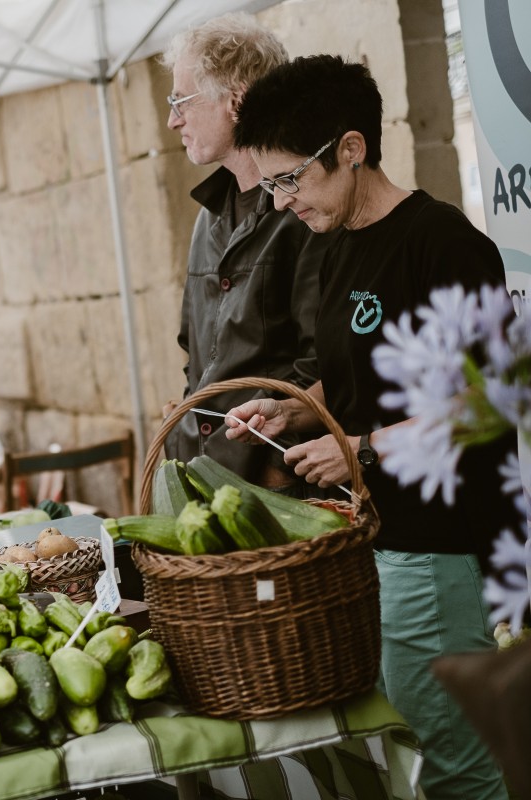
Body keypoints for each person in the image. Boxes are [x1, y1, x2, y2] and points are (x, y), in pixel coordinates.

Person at [227, 55, 515, 800]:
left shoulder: (444, 245)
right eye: (271, 186)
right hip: (377, 540)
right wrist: (295, 406)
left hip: (440, 543)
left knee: (460, 758)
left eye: (292, 179)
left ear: (351, 149)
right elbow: (360, 375)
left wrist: (360, 447)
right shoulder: (336, 243)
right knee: (417, 739)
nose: (284, 201)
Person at [160, 14, 322, 488]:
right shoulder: (208, 214)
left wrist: (275, 471)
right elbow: (197, 357)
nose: (172, 120)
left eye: (181, 101)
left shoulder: (306, 209)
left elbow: (324, 362)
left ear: (237, 101)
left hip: (277, 491)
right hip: (203, 480)